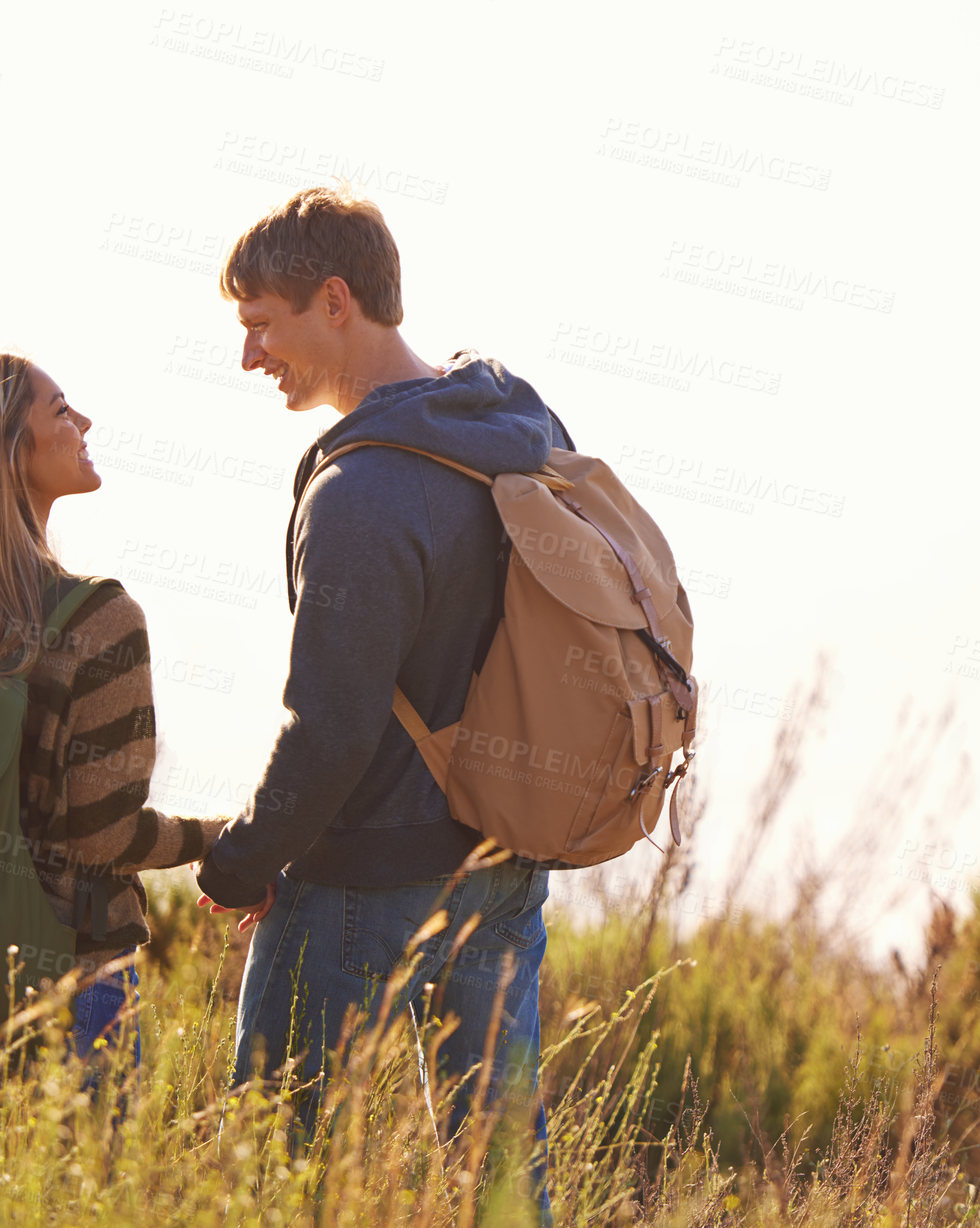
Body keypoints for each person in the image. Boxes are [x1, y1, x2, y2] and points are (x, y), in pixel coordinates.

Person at [193, 186, 569, 1220]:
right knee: (504, 1183)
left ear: (334, 300)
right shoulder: (515, 424)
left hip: (364, 883)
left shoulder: (358, 491)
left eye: (260, 325)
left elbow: (330, 730)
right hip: (502, 870)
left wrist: (238, 860)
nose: (249, 355)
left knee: (280, 1170)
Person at [0, 351, 228, 1090]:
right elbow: (105, 837)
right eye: (61, 410)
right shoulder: (101, 619)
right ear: (13, 455)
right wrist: (221, 838)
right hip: (76, 980)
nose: (84, 424)